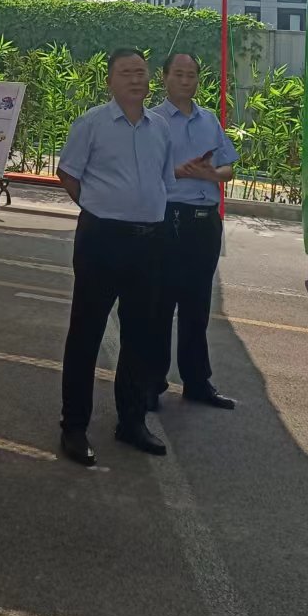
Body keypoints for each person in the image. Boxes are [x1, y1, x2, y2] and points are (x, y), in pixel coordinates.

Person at [57, 47, 175, 464]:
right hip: (102, 239)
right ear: (109, 80)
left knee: (140, 334)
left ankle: (131, 421)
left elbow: (164, 180)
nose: (135, 79)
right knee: (85, 333)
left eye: (141, 72)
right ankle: (74, 426)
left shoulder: (160, 128)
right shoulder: (92, 123)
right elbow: (68, 174)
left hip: (149, 242)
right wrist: (97, 208)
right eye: (126, 72)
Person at [151, 52, 238, 411]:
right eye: (179, 74)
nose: (186, 81)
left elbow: (229, 167)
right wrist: (177, 172)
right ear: (165, 77)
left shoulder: (209, 120)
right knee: (160, 304)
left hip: (205, 221)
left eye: (192, 75)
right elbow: (144, 171)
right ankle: (151, 382)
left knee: (197, 305)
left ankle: (197, 381)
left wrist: (211, 174)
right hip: (169, 218)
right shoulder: (152, 120)